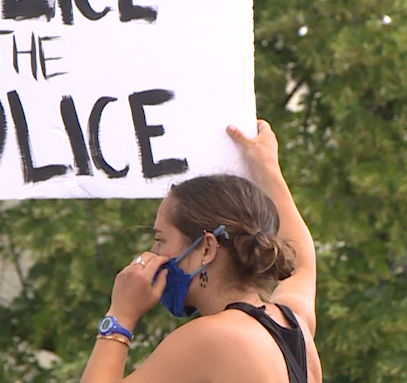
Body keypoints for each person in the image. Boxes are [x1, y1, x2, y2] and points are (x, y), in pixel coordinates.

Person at [81, 120, 322, 383]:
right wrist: (268, 168)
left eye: (160, 240)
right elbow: (302, 265)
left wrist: (120, 315)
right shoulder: (296, 324)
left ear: (207, 248)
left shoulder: (212, 338)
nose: (153, 252)